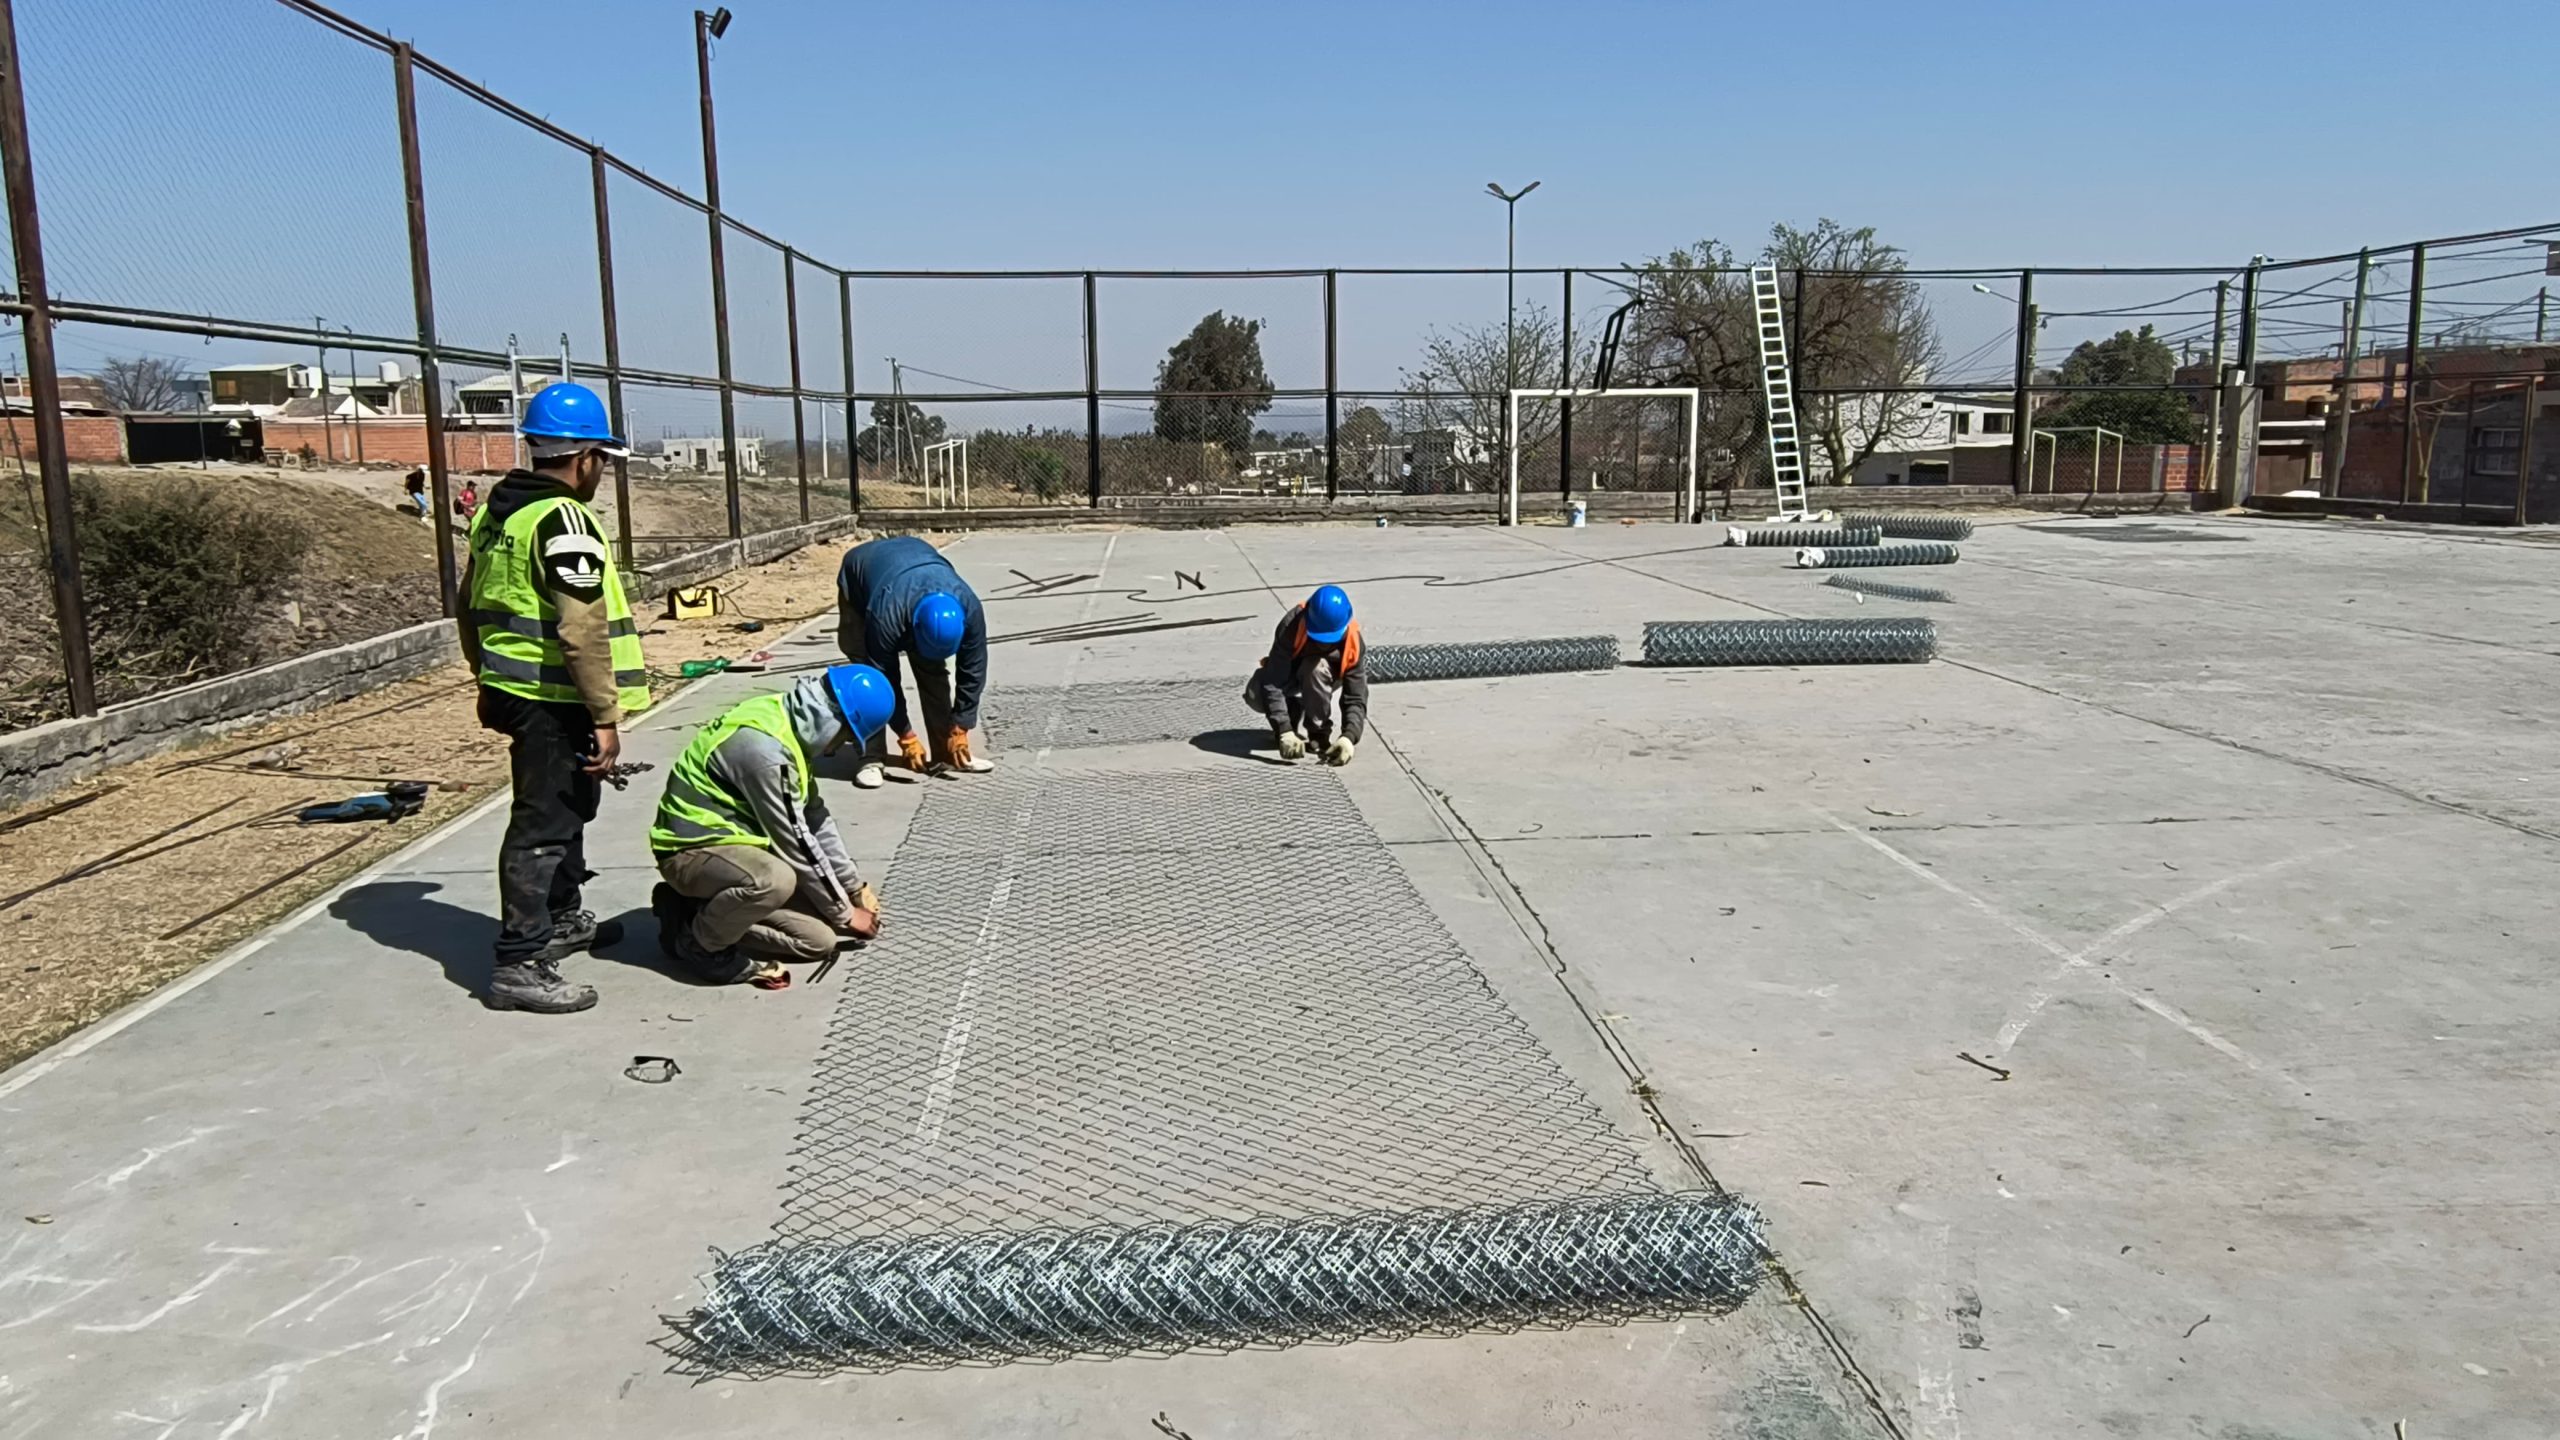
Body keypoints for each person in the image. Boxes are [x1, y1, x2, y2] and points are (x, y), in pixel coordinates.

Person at [457, 381, 649, 1014]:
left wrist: (484, 677)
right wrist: (605, 716)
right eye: (602, 462)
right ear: (586, 456)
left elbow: (470, 605)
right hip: (553, 697)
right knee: (543, 823)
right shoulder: (564, 518)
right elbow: (582, 626)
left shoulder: (498, 513)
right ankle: (520, 961)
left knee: (568, 808)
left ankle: (562, 918)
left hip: (515, 688)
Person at [648, 665, 894, 985]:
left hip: (737, 854)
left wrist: (853, 889)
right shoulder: (766, 752)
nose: (836, 749)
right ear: (831, 721)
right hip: (690, 852)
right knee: (774, 880)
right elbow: (795, 841)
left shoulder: (789, 726)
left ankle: (695, 912)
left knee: (818, 941)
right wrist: (846, 913)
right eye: (845, 737)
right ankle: (701, 945)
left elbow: (816, 820)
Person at [835, 535, 993, 788]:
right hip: (861, 578)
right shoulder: (886, 617)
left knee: (933, 671)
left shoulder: (969, 608)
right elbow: (885, 679)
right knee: (867, 680)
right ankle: (871, 757)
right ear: (914, 627)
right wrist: (905, 735)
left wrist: (962, 725)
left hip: (911, 568)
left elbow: (973, 668)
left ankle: (947, 752)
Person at [1246, 583, 1367, 767]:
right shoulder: (1291, 626)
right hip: (1291, 674)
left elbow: (1355, 697)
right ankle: (1291, 711)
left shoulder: (1353, 642)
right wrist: (1283, 729)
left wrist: (1349, 737)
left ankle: (1318, 734)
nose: (1324, 645)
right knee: (1256, 693)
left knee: (1315, 667)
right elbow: (1273, 682)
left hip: (1324, 676)